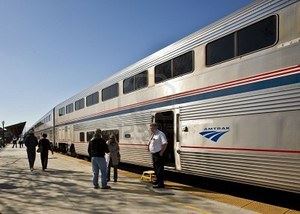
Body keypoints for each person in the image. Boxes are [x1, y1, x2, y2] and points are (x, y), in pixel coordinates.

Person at [147, 123, 168, 188]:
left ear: (156, 127)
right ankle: (158, 180)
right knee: (155, 168)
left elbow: (165, 143)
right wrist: (148, 148)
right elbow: (150, 142)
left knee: (159, 169)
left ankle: (161, 184)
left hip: (158, 154)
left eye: (152, 128)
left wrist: (161, 152)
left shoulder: (160, 134)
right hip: (154, 154)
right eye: (150, 128)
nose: (151, 129)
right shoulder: (153, 134)